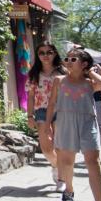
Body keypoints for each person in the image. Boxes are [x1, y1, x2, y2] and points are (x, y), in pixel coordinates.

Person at [46, 48, 101, 201]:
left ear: (83, 64)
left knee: (93, 162)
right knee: (67, 162)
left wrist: (89, 71)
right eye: (67, 58)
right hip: (65, 122)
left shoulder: (90, 83)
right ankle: (69, 189)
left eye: (73, 59)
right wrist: (48, 125)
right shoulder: (59, 81)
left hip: (87, 122)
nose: (68, 61)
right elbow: (51, 104)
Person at [26, 43, 65, 191]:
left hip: (61, 110)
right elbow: (30, 97)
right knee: (47, 148)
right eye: (41, 53)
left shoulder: (63, 72)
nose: (45, 55)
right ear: (38, 55)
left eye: (49, 52)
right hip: (41, 110)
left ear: (55, 53)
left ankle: (61, 178)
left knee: (60, 147)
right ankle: (56, 165)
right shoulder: (34, 73)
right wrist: (30, 116)